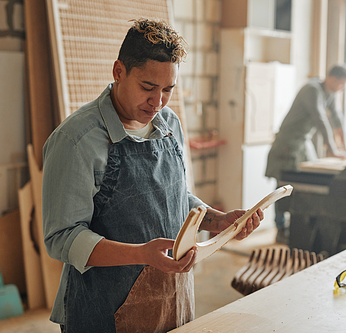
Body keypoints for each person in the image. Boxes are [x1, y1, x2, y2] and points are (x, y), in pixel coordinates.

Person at [42, 18, 263, 333]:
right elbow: (61, 238)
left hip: (173, 300)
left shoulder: (169, 125)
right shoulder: (77, 140)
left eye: (168, 90)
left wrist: (219, 221)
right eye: (147, 87)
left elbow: (173, 199)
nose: (157, 102)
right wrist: (141, 254)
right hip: (104, 312)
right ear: (119, 71)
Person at [265, 65, 346, 244]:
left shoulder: (330, 95)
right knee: (282, 185)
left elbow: (337, 119)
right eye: (341, 84)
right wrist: (333, 150)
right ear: (332, 79)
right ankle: (280, 228)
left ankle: (300, 228)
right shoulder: (311, 90)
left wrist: (345, 147)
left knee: (308, 182)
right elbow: (320, 118)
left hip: (303, 142)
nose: (341, 88)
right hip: (287, 143)